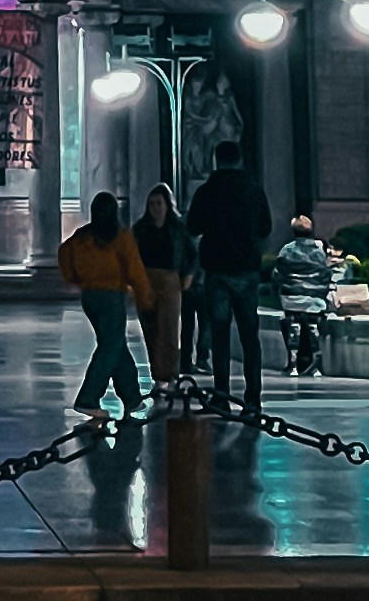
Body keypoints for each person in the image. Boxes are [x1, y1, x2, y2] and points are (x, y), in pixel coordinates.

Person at [189, 135, 275, 419]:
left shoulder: (207, 191)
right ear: (239, 160)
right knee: (250, 336)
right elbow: (266, 227)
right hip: (247, 270)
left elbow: (193, 225)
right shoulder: (253, 190)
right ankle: (253, 398)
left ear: (216, 160)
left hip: (218, 270)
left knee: (220, 335)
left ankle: (222, 395)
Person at [58, 190, 153, 422]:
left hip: (90, 297)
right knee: (110, 348)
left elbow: (63, 254)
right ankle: (88, 398)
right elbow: (135, 271)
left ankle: (131, 396)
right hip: (112, 297)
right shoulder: (120, 237)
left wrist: (75, 279)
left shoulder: (82, 236)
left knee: (116, 345)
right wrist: (146, 299)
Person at [130, 181, 193, 388]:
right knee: (150, 329)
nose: (156, 208)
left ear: (167, 205)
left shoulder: (177, 228)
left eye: (159, 204)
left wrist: (189, 275)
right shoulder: (141, 229)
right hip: (146, 279)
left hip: (169, 280)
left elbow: (192, 254)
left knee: (169, 329)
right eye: (152, 204)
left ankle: (170, 373)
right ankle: (157, 374)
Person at [274, 213, 341, 376]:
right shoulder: (319, 251)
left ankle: (294, 364)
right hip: (315, 300)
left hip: (292, 298)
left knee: (293, 327)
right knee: (313, 327)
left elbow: (278, 274)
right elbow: (326, 274)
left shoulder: (287, 250)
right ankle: (316, 366)